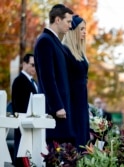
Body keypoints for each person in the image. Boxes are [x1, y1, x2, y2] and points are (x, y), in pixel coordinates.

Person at [34, 4, 76, 145]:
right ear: (57, 20)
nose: (70, 26)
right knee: (54, 155)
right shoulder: (45, 41)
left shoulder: (54, 42)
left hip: (63, 108)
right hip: (54, 111)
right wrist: (57, 106)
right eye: (68, 21)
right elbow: (47, 78)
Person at [62, 15, 90, 150]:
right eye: (82, 29)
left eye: (86, 29)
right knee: (75, 141)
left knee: (84, 139)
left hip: (82, 100)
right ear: (73, 31)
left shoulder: (80, 53)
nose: (85, 32)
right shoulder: (65, 52)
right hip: (72, 102)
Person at [11, 53, 38, 166]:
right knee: (22, 154)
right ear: (24, 64)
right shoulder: (19, 81)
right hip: (23, 123)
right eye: (32, 65)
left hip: (33, 123)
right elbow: (17, 105)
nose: (34, 68)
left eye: (36, 65)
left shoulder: (34, 82)